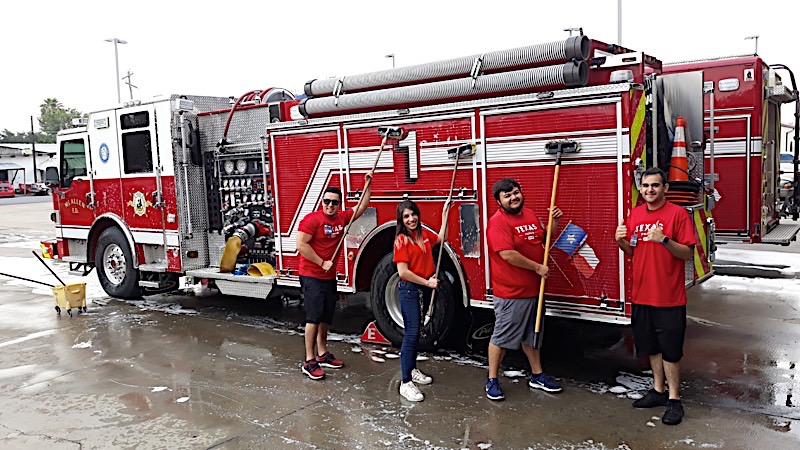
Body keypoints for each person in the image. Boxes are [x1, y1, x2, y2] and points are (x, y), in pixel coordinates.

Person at [615, 167, 697, 425]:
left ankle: (674, 399)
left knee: (671, 351)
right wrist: (621, 243)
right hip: (642, 295)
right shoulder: (636, 214)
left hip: (669, 298)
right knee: (650, 347)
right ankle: (658, 391)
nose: (650, 190)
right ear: (641, 189)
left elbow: (687, 253)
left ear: (665, 189)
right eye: (646, 185)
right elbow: (634, 251)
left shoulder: (678, 214)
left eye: (655, 185)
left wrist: (664, 240)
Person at [485, 178, 563, 401]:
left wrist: (553, 223)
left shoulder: (529, 214)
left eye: (516, 192)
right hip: (512, 293)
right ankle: (492, 379)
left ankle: (537, 375)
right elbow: (507, 254)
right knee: (502, 336)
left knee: (532, 335)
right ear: (499, 201)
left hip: (534, 290)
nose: (513, 197)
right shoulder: (498, 222)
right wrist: (537, 267)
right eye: (507, 195)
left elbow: (541, 239)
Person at [297, 172, 373, 380]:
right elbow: (301, 245)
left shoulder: (341, 217)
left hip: (328, 277)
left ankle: (322, 354)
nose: (330, 205)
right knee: (313, 317)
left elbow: (362, 207)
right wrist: (322, 262)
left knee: (326, 317)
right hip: (311, 275)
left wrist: (367, 185)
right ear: (323, 201)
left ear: (339, 204)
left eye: (335, 203)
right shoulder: (312, 220)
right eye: (327, 201)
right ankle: (309, 360)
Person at [392, 199, 450, 402]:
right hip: (409, 290)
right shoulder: (401, 240)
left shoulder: (424, 234)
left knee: (417, 333)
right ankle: (406, 382)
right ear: (401, 220)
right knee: (411, 333)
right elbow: (404, 272)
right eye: (406, 216)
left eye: (413, 214)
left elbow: (441, 238)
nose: (411, 219)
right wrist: (427, 283)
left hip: (422, 289)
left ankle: (412, 368)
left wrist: (445, 214)